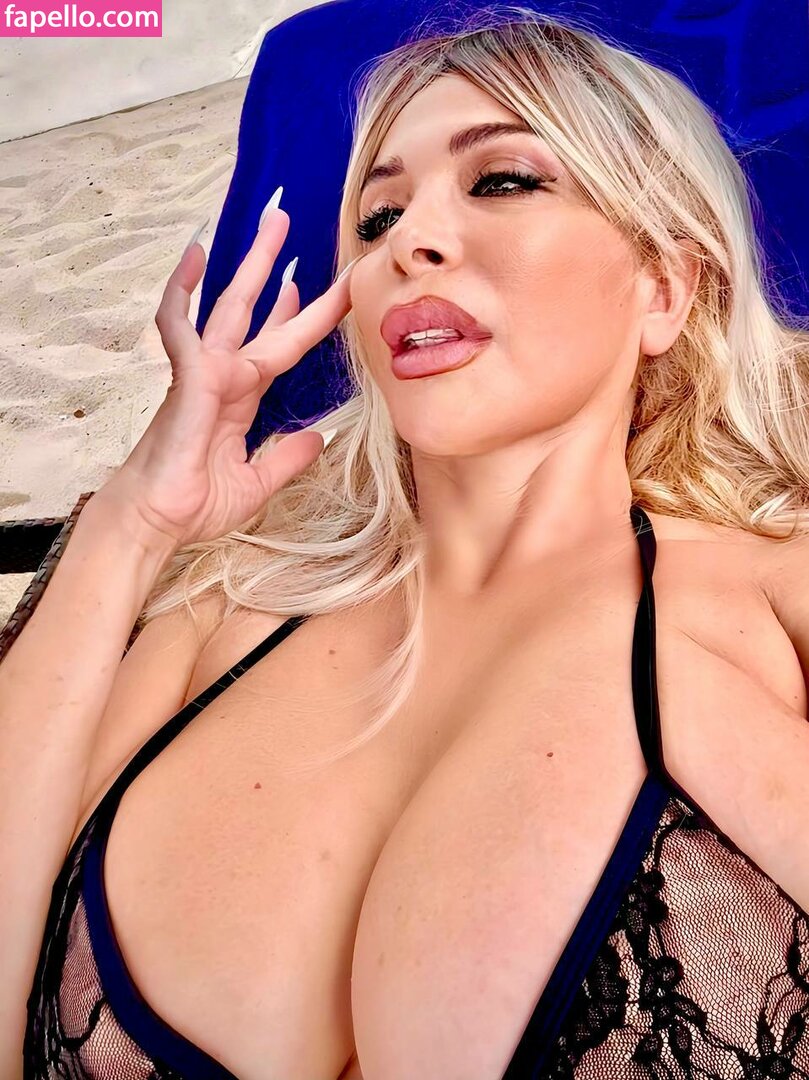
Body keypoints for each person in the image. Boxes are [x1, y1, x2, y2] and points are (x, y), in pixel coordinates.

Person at [4, 6, 809, 1079]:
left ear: (664, 287)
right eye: (376, 217)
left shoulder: (769, 606)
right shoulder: (226, 602)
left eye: (501, 180)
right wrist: (131, 525)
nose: (409, 243)